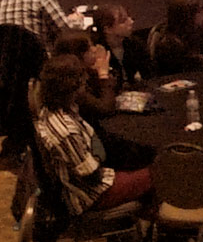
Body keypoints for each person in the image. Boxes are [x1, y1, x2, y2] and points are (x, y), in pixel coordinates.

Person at [33, 56, 153, 230]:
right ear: (73, 87)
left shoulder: (53, 110)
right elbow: (91, 175)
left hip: (88, 180)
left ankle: (138, 229)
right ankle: (152, 234)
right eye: (83, 82)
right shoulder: (66, 131)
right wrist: (99, 154)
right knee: (159, 173)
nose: (85, 85)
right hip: (90, 195)